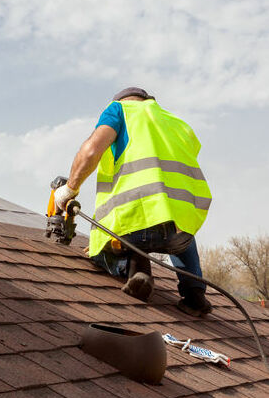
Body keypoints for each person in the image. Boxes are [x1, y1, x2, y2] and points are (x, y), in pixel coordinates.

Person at [54, 87, 212, 316]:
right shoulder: (175, 122)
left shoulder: (119, 110)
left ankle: (137, 270)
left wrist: (69, 189)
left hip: (135, 225)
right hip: (181, 227)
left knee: (99, 251)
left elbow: (91, 151)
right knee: (179, 231)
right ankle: (194, 294)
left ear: (123, 101)